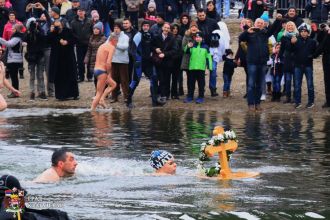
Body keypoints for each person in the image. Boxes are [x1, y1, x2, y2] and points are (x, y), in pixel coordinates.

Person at [239, 18, 272, 111]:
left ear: (264, 24)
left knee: (260, 84)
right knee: (251, 84)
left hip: (262, 62)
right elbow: (240, 38)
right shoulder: (250, 33)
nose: (260, 24)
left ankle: (257, 103)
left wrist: (278, 19)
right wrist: (247, 31)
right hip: (252, 62)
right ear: (255, 23)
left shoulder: (265, 33)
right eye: (258, 23)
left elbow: (273, 29)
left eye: (261, 23)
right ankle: (250, 104)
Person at [48, 20, 79, 101]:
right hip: (57, 59)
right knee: (59, 77)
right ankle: (61, 95)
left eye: (59, 26)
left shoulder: (68, 31)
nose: (58, 27)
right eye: (56, 26)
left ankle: (73, 94)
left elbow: (75, 39)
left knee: (71, 75)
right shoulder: (53, 33)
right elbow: (47, 40)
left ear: (62, 25)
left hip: (68, 58)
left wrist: (67, 42)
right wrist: (51, 32)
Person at [291, 23, 316, 109]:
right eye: (302, 31)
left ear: (308, 32)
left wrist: (311, 56)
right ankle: (297, 102)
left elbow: (316, 52)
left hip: (308, 66)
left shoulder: (312, 41)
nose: (303, 33)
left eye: (305, 31)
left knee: (310, 85)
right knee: (297, 85)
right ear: (299, 32)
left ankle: (311, 102)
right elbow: (291, 51)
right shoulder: (296, 40)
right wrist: (292, 43)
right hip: (297, 66)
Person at [184, 31, 212, 104]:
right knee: (191, 83)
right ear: (195, 38)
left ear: (202, 38)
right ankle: (190, 96)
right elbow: (186, 51)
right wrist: (188, 46)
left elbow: (208, 57)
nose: (198, 38)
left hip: (201, 68)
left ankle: (201, 96)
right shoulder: (192, 45)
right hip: (192, 68)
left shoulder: (205, 47)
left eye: (199, 37)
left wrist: (210, 66)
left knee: (201, 83)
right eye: (196, 37)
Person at [91, 32, 117, 110]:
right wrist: (108, 74)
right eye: (117, 41)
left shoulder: (102, 46)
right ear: (114, 40)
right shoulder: (111, 47)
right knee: (99, 93)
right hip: (102, 71)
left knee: (113, 84)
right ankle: (92, 111)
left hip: (96, 70)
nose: (117, 43)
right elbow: (108, 63)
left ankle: (102, 100)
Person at [0, 23, 24, 97]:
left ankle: (15, 92)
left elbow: (9, 44)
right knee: (14, 76)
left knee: (14, 77)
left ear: (17, 29)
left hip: (14, 59)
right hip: (14, 58)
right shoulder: (17, 37)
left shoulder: (16, 38)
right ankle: (15, 91)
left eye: (13, 29)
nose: (11, 30)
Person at [313, 24, 330, 108]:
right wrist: (322, 31)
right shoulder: (327, 33)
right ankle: (328, 101)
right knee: (327, 80)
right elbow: (321, 43)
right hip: (327, 60)